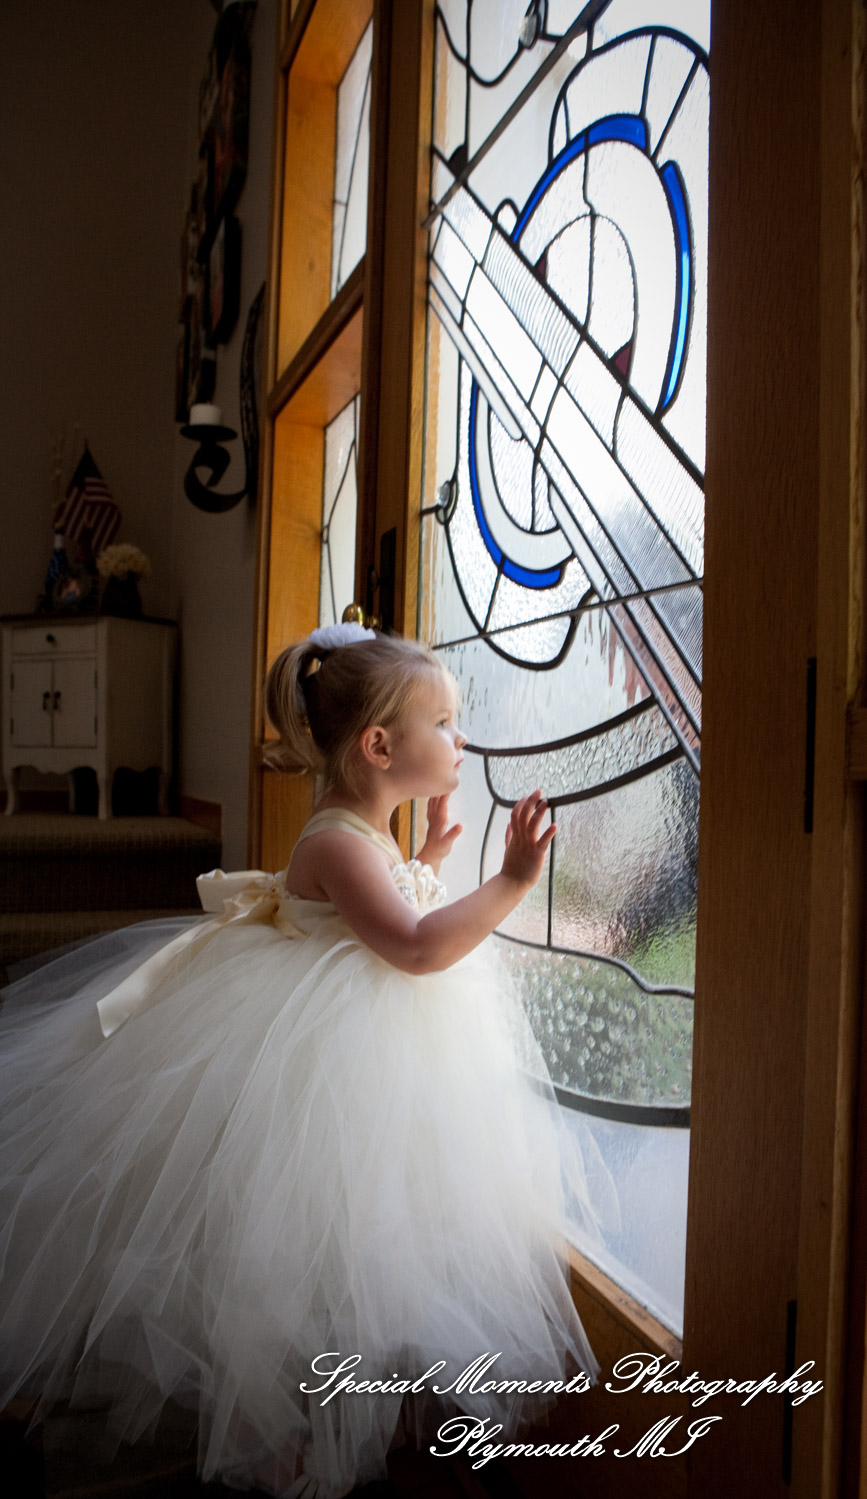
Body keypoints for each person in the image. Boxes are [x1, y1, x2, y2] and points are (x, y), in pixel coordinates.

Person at [0, 623, 612, 1498]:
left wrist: (430, 855)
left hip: (363, 1039)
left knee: (373, 1232)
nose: (460, 739)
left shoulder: (359, 830)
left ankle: (343, 1403)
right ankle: (286, 1428)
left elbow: (391, 897)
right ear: (379, 746)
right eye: (444, 722)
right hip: (325, 1051)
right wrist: (510, 881)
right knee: (304, 1248)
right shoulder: (333, 841)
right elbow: (411, 946)